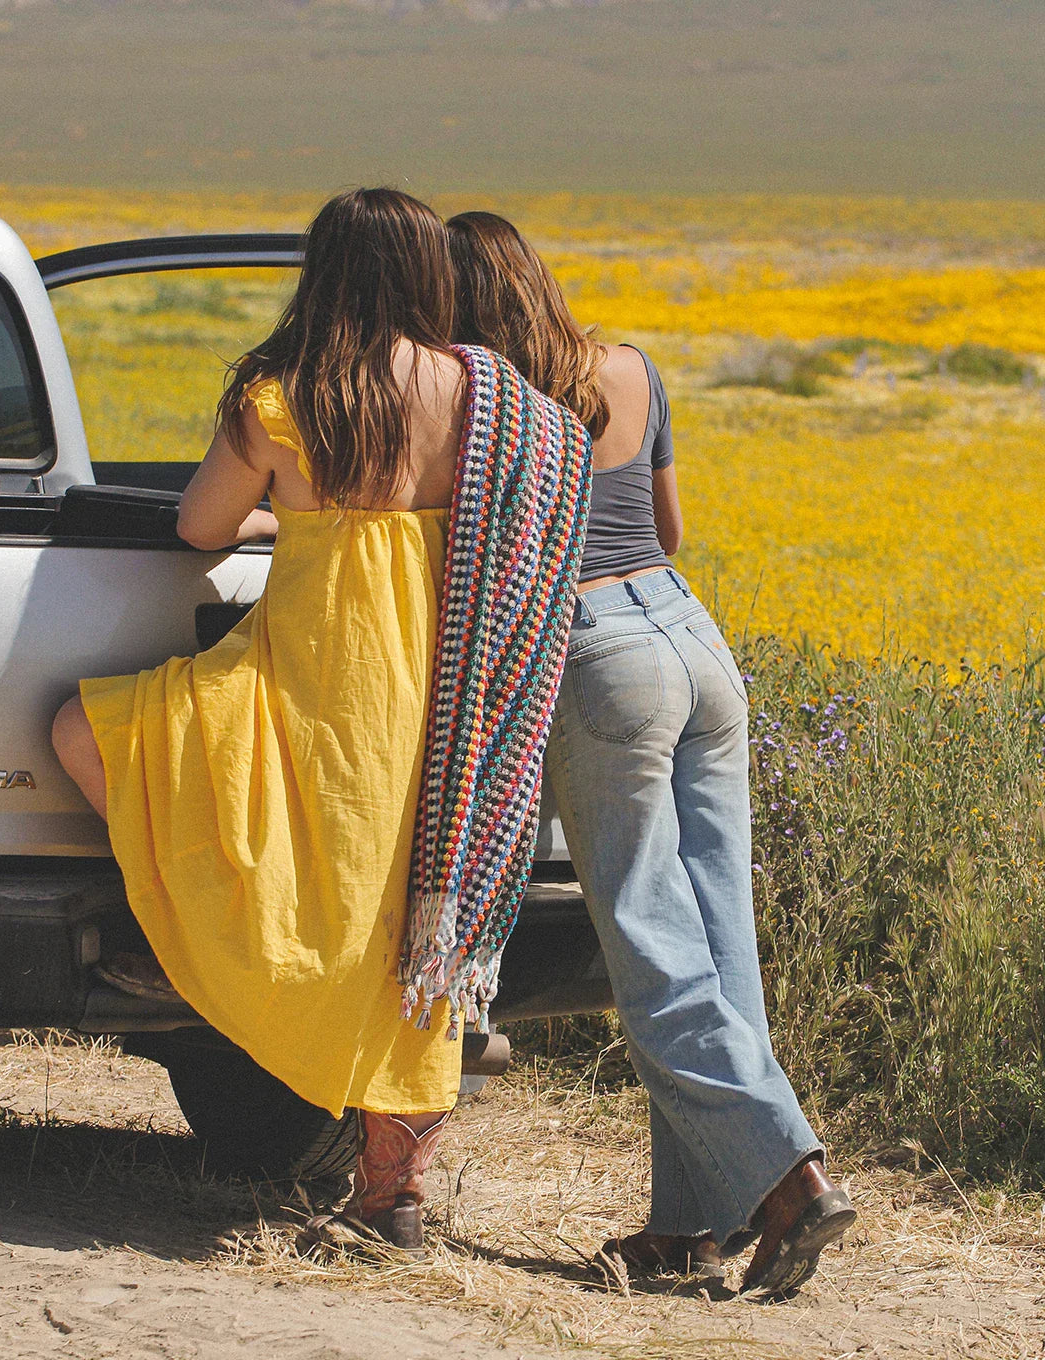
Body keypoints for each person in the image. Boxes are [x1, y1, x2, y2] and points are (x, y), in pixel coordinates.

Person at [52, 189, 590, 1254]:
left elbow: (200, 523)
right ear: (426, 276)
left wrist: (282, 512)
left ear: (327, 273)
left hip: (305, 690)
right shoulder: (495, 400)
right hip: (442, 712)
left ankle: (200, 947)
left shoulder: (284, 398)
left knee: (85, 732)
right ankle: (391, 1195)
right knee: (404, 930)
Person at [446, 211, 856, 1296]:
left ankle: (791, 1174)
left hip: (600, 655)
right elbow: (666, 529)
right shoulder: (631, 368)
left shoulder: (490, 405)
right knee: (720, 940)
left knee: (649, 941)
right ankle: (692, 1223)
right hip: (693, 639)